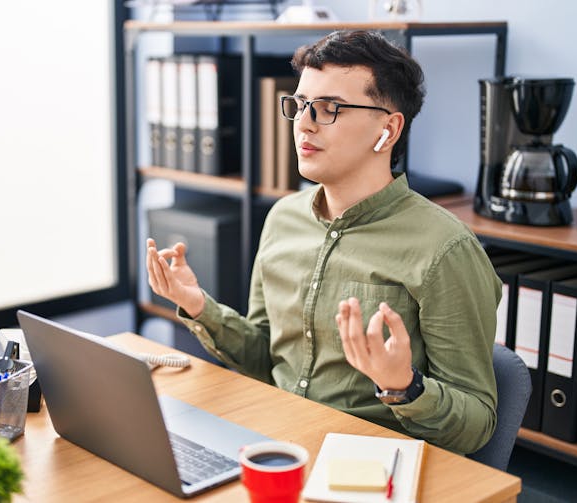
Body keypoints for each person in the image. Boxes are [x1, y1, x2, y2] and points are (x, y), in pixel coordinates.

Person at [146, 30, 501, 454]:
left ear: (388, 130)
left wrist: (404, 385)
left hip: (365, 461)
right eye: (299, 105)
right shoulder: (283, 218)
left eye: (329, 108)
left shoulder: (445, 248)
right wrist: (199, 305)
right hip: (277, 439)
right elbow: (266, 358)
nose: (305, 123)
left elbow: (478, 422)